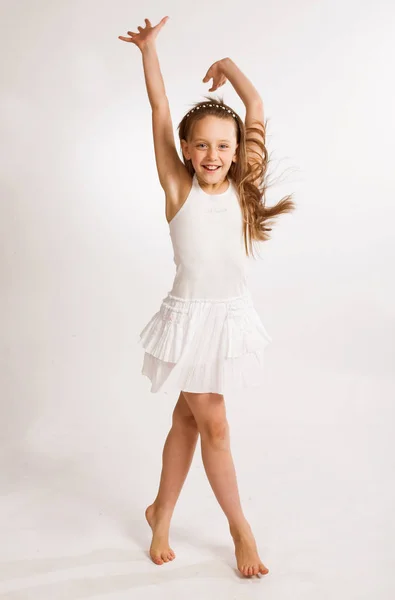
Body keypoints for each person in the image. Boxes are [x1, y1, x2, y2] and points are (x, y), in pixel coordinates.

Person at [118, 16, 295, 578]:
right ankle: (240, 529)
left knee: (188, 423)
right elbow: (160, 111)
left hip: (229, 319)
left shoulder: (244, 188)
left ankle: (159, 512)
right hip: (190, 323)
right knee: (214, 424)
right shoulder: (179, 188)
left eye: (224, 144)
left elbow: (258, 104)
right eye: (203, 146)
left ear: (238, 150)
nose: (214, 154)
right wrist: (149, 51)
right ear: (187, 152)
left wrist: (227, 65)